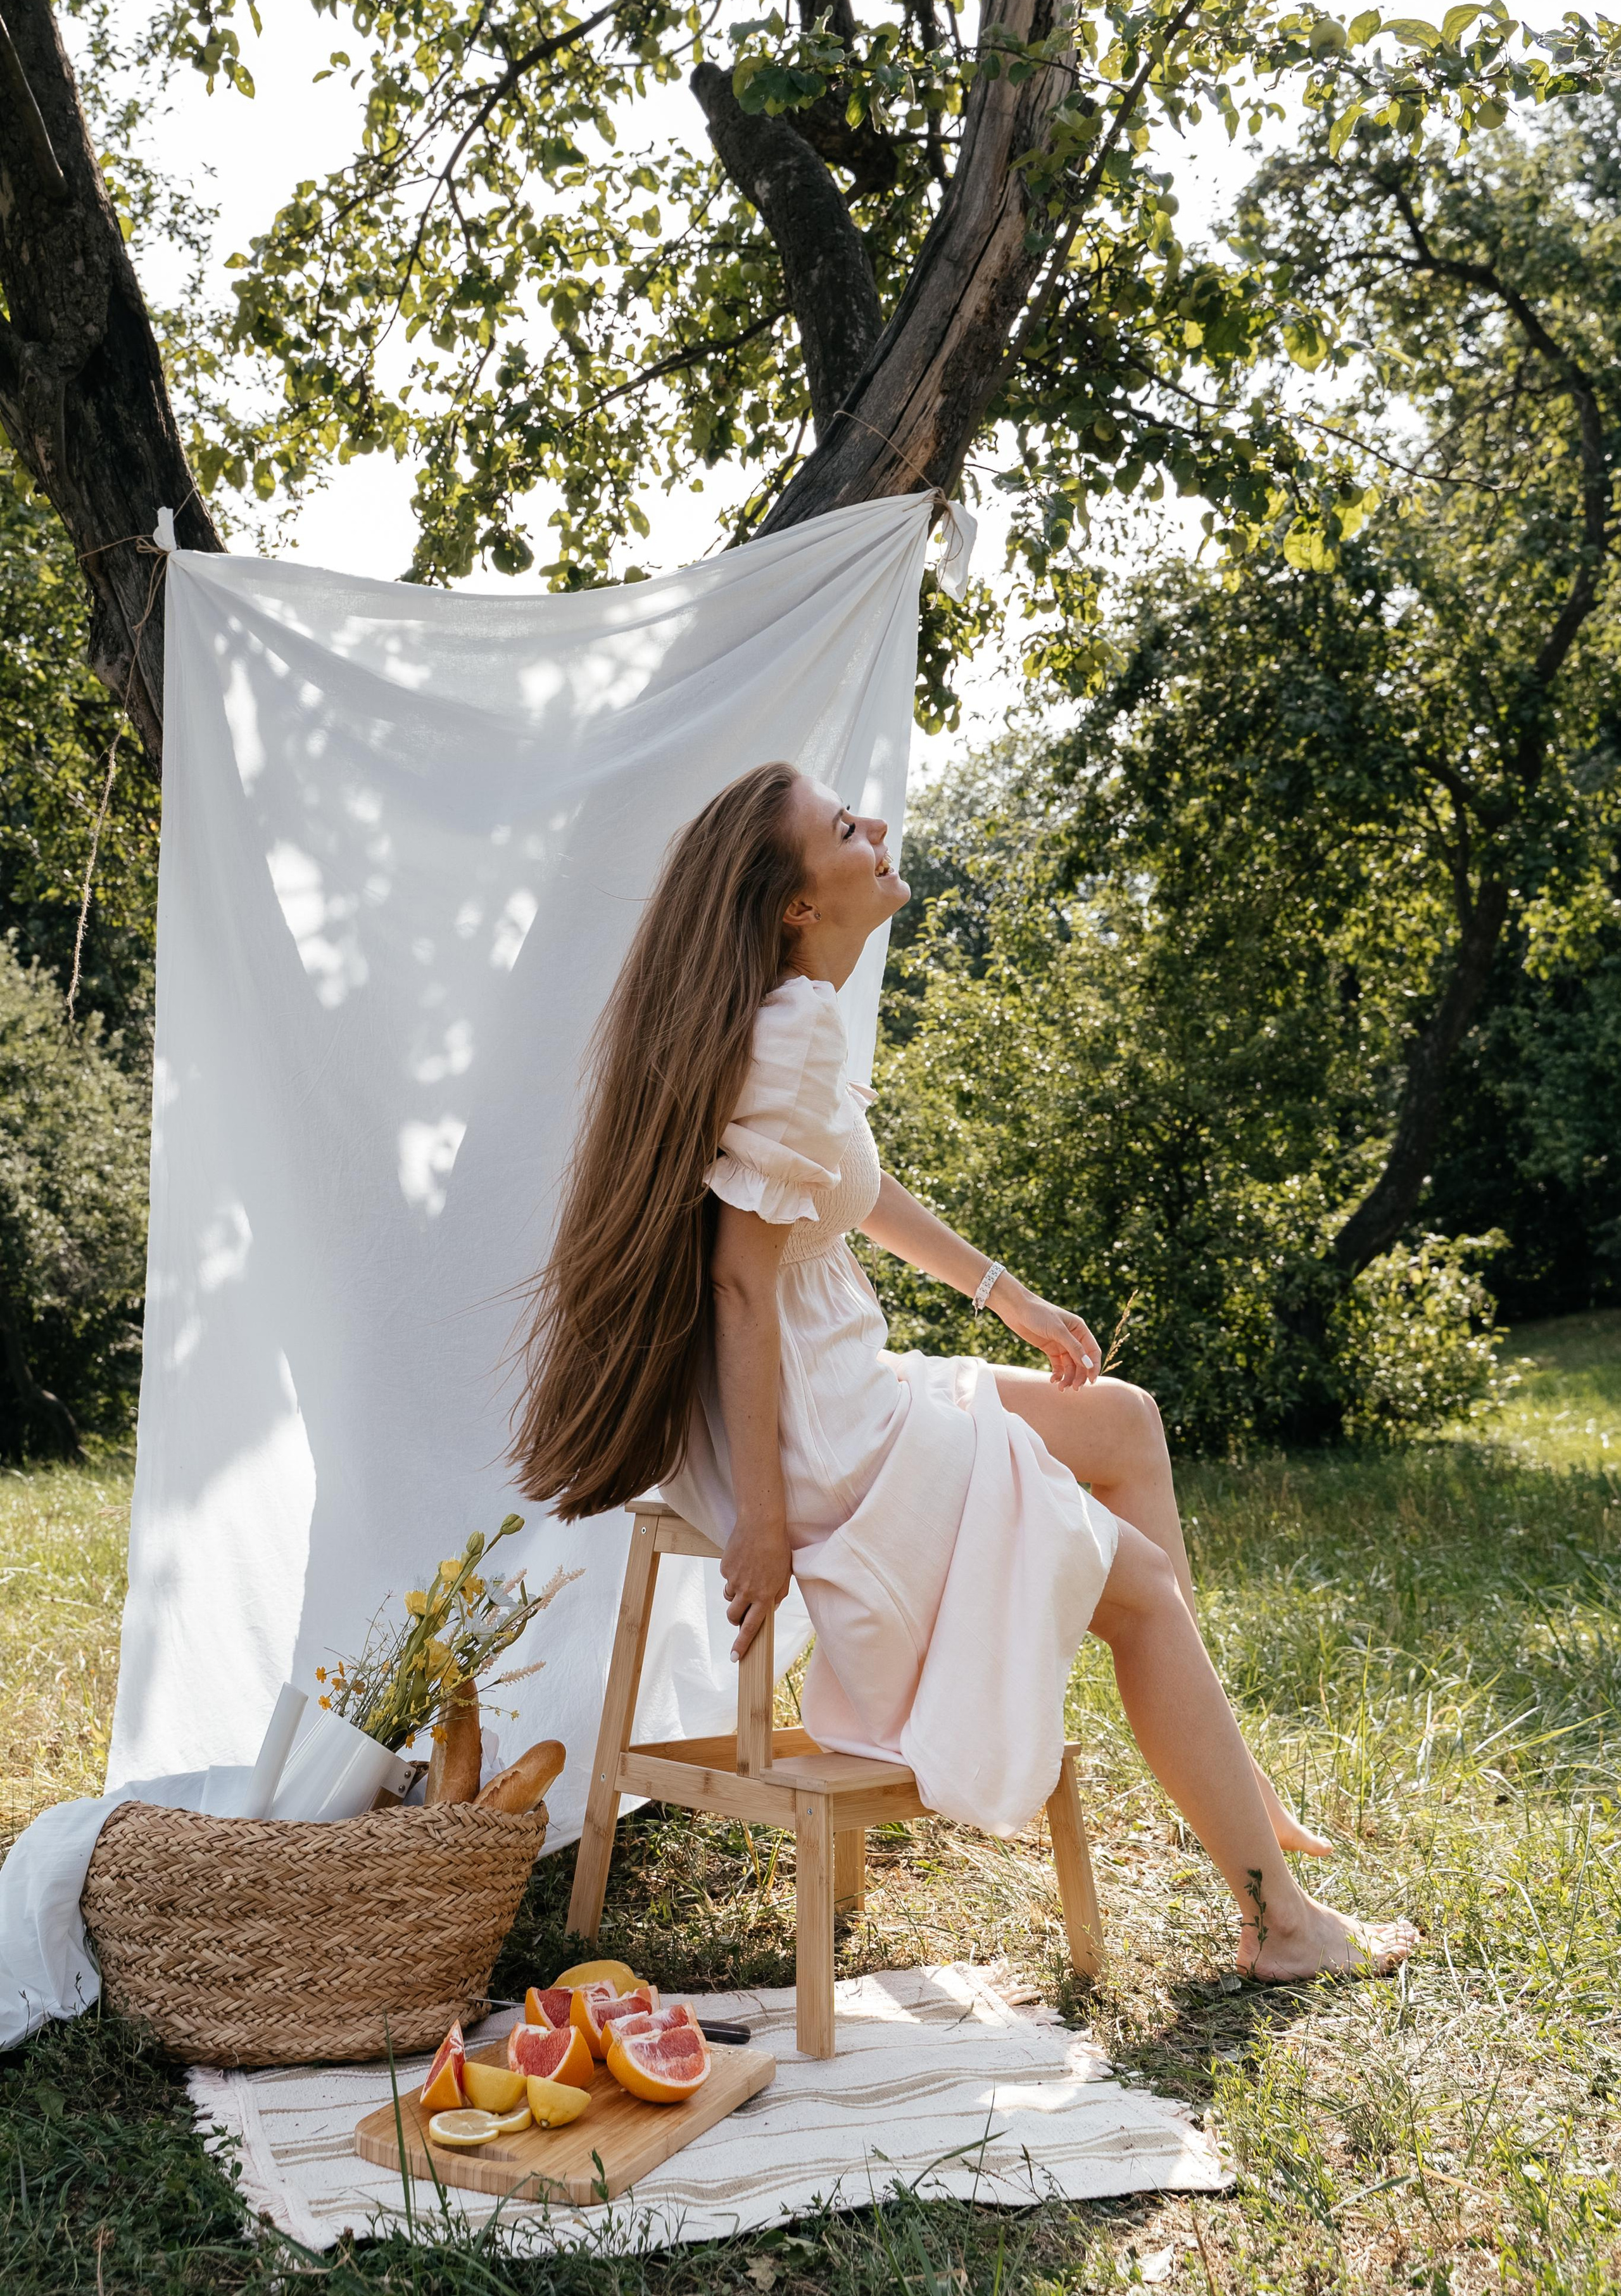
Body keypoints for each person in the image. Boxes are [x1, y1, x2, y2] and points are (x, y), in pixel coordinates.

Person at [514, 761, 1418, 1982]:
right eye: (844, 827)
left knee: (1122, 1420)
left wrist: (1008, 1294)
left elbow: (854, 1185)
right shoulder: (789, 1032)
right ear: (795, 903)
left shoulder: (789, 1016)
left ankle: (1233, 1780)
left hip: (846, 1390)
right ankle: (1280, 1918)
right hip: (829, 1439)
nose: (875, 827)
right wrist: (768, 1523)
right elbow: (738, 1282)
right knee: (1139, 1591)